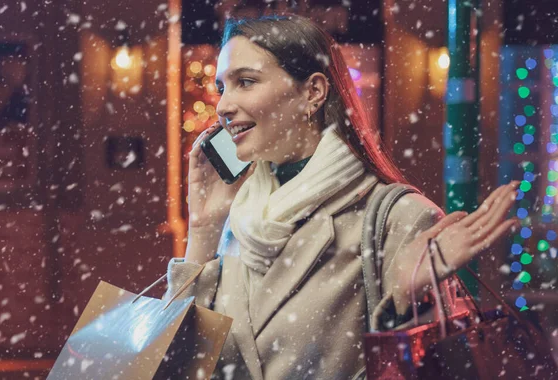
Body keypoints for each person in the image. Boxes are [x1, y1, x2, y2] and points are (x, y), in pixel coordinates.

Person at [165, 14, 519, 380]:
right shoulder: (239, 219)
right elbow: (180, 366)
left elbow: (434, 367)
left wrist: (402, 302)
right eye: (223, 87)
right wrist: (204, 228)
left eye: (246, 82)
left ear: (313, 92)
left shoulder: (397, 218)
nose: (223, 106)